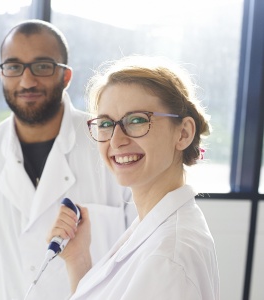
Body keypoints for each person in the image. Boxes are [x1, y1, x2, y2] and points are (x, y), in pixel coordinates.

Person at [0, 20, 137, 300]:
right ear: (2, 74)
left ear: (66, 76)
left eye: (42, 66)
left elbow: (140, 256)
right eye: (13, 67)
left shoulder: (112, 144)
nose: (27, 81)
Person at [49, 55, 220, 299]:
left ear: (183, 133)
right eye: (106, 124)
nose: (117, 140)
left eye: (137, 120)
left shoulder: (169, 257)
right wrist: (78, 260)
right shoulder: (151, 227)